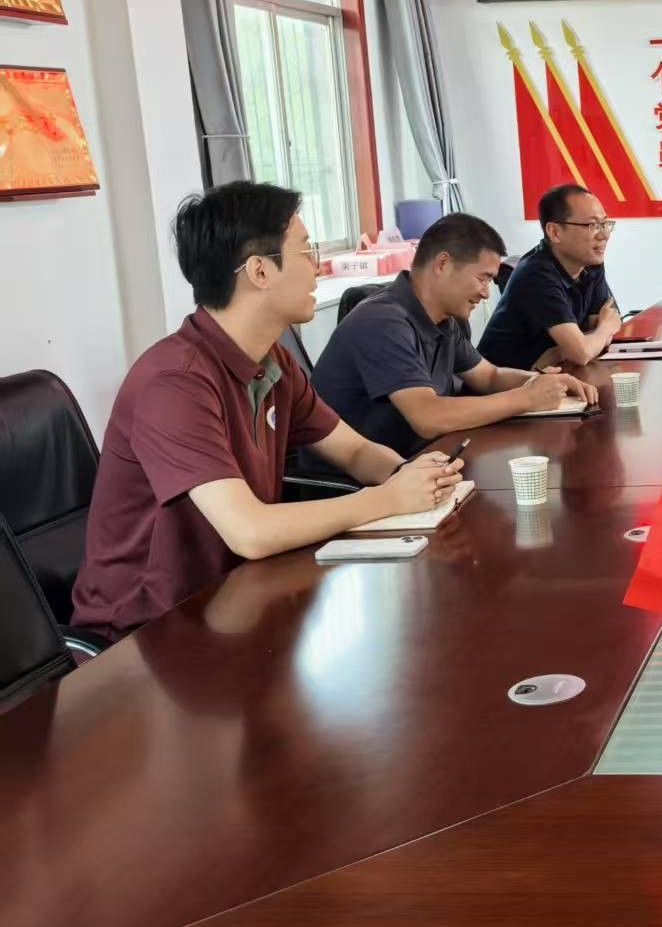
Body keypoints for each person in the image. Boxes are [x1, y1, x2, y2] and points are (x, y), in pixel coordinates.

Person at [71, 182, 464, 640]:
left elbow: (355, 451)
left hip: (237, 601)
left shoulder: (272, 361)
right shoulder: (174, 383)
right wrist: (388, 499)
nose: (316, 266)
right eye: (306, 250)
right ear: (259, 270)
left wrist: (412, 476)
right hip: (148, 634)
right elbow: (250, 531)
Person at [312, 213, 598, 457]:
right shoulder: (383, 322)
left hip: (424, 460)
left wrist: (540, 382)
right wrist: (526, 398)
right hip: (364, 483)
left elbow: (489, 376)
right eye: (483, 278)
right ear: (443, 264)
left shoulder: (443, 320)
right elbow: (428, 417)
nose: (486, 293)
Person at [478, 183, 622, 371]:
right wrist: (605, 328)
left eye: (605, 224)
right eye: (592, 225)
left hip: (550, 374)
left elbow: (599, 339)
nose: (604, 235)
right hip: (502, 383)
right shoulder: (536, 274)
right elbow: (583, 351)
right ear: (554, 232)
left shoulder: (590, 262)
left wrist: (564, 351)